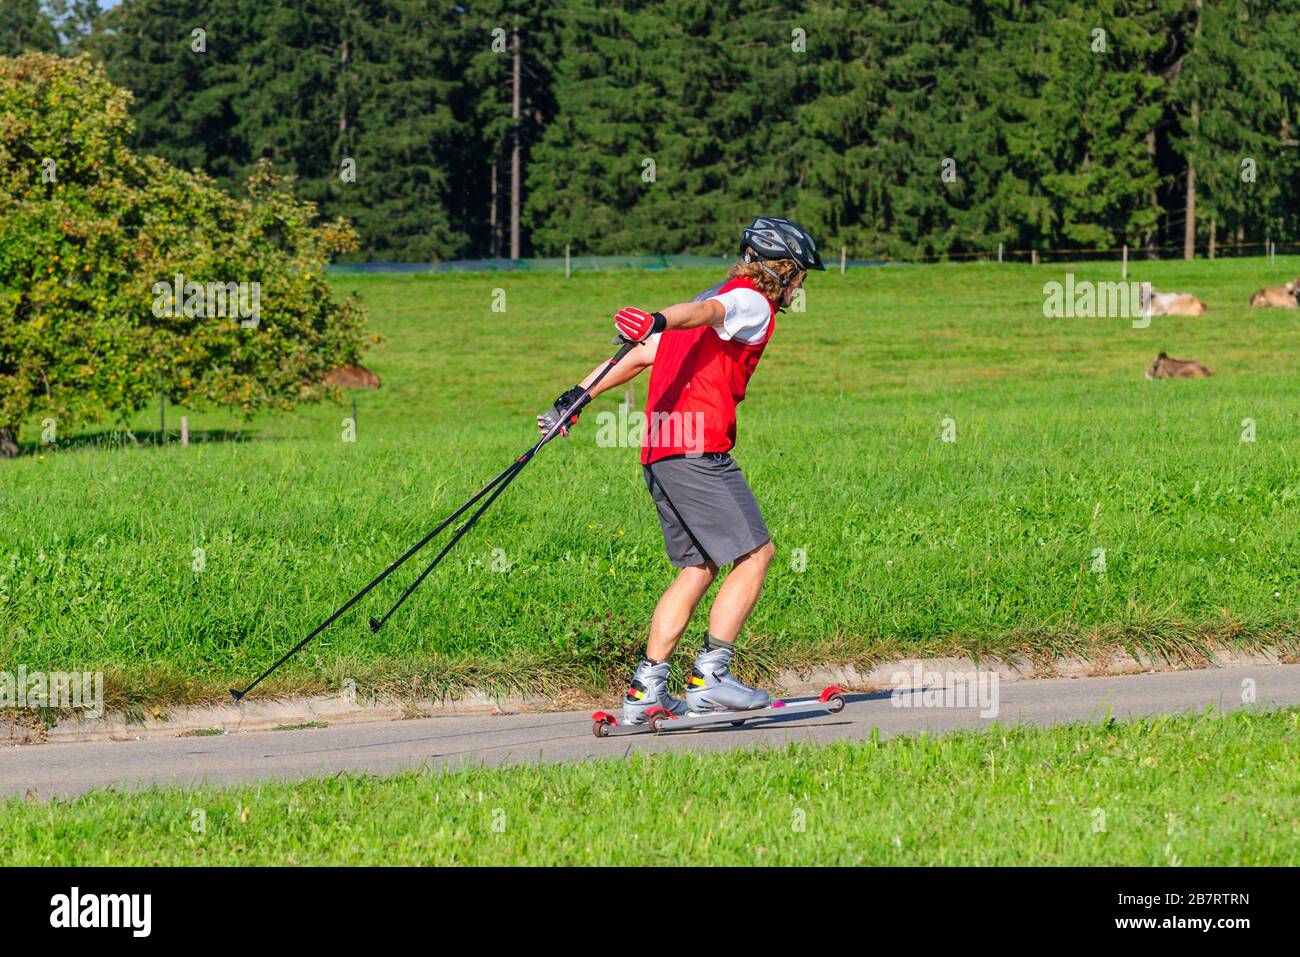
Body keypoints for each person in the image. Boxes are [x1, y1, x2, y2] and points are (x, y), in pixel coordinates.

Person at [537, 217, 825, 723]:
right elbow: (704, 313)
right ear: (783, 271)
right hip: (697, 450)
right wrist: (658, 317)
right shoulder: (746, 301)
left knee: (699, 566)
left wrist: (576, 396)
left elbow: (643, 352)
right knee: (757, 554)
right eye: (800, 275)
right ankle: (712, 679)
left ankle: (646, 688)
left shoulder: (712, 300)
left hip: (660, 451)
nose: (801, 287)